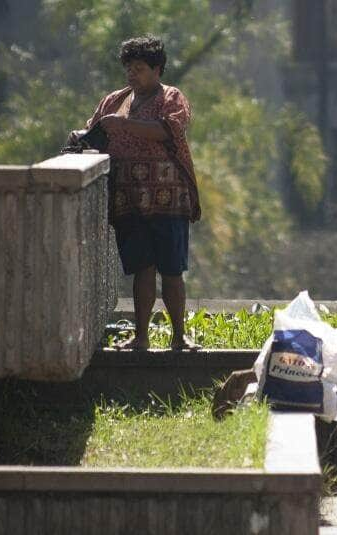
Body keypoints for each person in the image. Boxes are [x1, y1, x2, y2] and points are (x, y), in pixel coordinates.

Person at [70, 35, 201, 351]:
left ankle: (179, 336)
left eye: (139, 69)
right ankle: (141, 337)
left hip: (168, 199)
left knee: (172, 270)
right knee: (142, 269)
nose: (132, 75)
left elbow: (169, 130)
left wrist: (125, 125)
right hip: (129, 200)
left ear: (157, 69)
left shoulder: (171, 98)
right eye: (129, 68)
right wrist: (80, 137)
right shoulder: (114, 101)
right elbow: (95, 134)